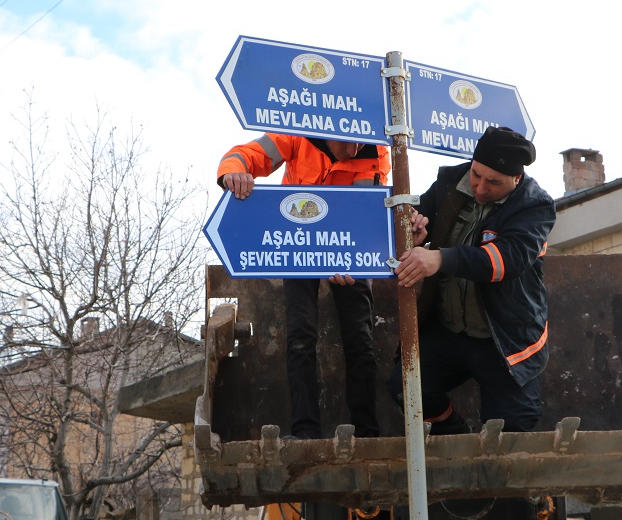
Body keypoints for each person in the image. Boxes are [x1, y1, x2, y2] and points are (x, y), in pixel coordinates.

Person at [218, 133, 390, 439]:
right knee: (300, 335)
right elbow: (245, 155)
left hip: (345, 248)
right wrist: (232, 172)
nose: (351, 150)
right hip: (297, 247)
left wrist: (351, 259)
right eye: (343, 142)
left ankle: (367, 432)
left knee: (360, 338)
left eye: (358, 142)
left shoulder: (377, 154)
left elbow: (363, 216)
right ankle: (305, 431)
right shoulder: (295, 133)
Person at [391, 126, 555, 434]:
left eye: (493, 182)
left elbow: (506, 260)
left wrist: (439, 258)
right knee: (406, 388)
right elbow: (409, 218)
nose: (480, 188)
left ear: (516, 180)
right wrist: (413, 230)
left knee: (513, 426)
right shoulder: (449, 182)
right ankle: (456, 438)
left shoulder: (535, 206)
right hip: (448, 330)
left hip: (503, 337)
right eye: (476, 175)